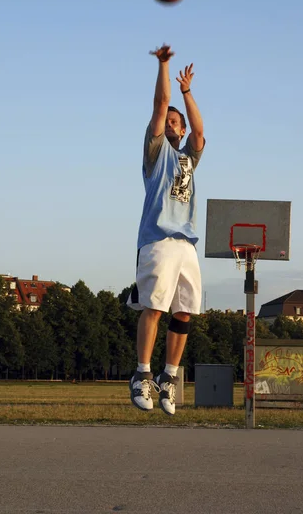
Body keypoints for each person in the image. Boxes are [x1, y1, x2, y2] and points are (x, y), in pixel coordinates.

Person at [127, 44, 205, 415]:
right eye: (169, 120)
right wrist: (164, 65)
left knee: (185, 313)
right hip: (158, 238)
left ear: (183, 129)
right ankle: (142, 374)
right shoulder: (156, 152)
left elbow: (201, 130)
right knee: (154, 308)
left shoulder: (189, 157)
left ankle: (168, 377)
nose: (171, 122)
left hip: (186, 243)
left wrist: (188, 93)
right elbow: (160, 105)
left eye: (177, 121)